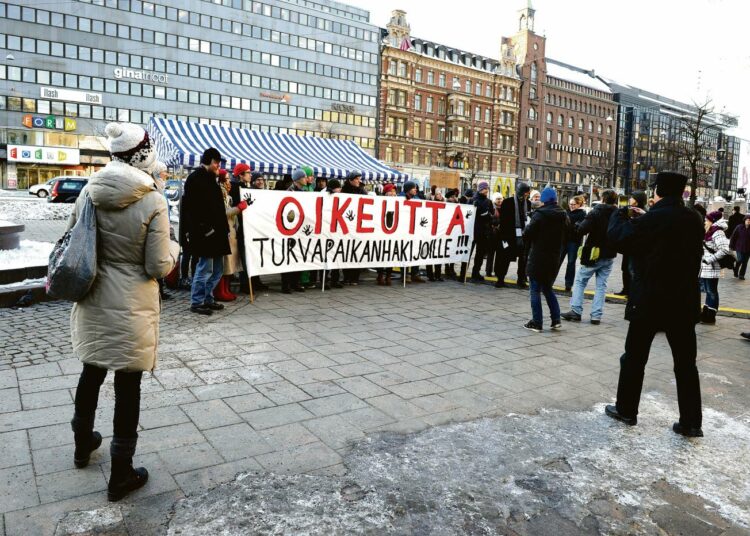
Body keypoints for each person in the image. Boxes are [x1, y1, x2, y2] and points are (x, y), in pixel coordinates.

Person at [69, 122, 179, 502]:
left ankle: (83, 445)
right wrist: (175, 250)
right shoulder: (153, 199)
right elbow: (158, 266)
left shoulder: (89, 191)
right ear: (143, 155)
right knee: (128, 387)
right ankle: (121, 473)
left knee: (92, 370)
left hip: (94, 295)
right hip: (132, 305)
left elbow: (73, 240)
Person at [606, 171, 704, 437]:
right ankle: (691, 422)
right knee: (686, 364)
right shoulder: (693, 218)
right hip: (683, 302)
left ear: (658, 191)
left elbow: (619, 239)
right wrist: (645, 219)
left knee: (634, 358)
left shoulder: (654, 218)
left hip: (650, 301)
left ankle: (626, 410)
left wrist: (621, 214)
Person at [182, 148, 231, 315]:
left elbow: (217, 208)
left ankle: (208, 298)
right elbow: (192, 208)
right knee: (205, 269)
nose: (219, 166)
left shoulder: (211, 178)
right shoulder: (195, 178)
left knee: (217, 270)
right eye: (217, 162)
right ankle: (197, 302)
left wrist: (224, 229)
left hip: (217, 234)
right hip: (206, 234)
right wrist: (205, 229)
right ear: (210, 160)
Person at [561, 189, 618, 325]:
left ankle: (576, 311)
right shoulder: (618, 213)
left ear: (603, 199)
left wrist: (577, 225)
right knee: (601, 286)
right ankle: (596, 316)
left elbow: (582, 230)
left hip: (593, 253)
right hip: (609, 253)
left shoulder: (596, 212)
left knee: (580, 281)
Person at [523, 187, 568, 332]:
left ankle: (537, 322)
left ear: (544, 200)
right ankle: (556, 320)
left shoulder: (540, 214)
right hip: (554, 257)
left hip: (538, 256)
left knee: (535, 290)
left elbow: (528, 233)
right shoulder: (563, 215)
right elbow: (569, 232)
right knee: (548, 288)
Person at [213, 170, 249, 301]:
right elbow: (224, 212)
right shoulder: (219, 193)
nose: (229, 181)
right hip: (226, 231)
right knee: (225, 263)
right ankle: (220, 290)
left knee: (230, 264)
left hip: (231, 231)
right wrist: (238, 208)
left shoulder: (227, 194)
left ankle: (226, 289)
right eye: (226, 179)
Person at [495, 182, 532, 289]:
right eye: (526, 193)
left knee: (523, 259)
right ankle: (500, 279)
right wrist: (504, 237)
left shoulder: (528, 203)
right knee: (504, 258)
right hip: (508, 235)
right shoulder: (507, 202)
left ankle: (521, 280)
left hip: (523, 235)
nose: (526, 195)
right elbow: (503, 221)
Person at [699, 211, 733, 324]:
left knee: (712, 291)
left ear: (712, 220)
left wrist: (709, 259)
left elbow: (724, 249)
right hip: (706, 267)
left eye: (707, 219)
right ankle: (705, 314)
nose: (705, 221)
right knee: (708, 291)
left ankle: (710, 316)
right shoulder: (709, 231)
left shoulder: (717, 232)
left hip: (712, 266)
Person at [280, 168, 308, 294]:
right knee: (288, 257)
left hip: (300, 229)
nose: (306, 179)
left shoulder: (304, 192)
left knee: (298, 256)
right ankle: (286, 284)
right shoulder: (289, 192)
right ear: (298, 179)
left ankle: (295, 282)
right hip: (290, 228)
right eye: (304, 177)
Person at [616, 191, 647, 296]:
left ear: (637, 201)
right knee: (625, 268)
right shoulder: (628, 210)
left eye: (632, 198)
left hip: (636, 247)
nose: (630, 199)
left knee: (632, 269)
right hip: (628, 246)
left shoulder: (644, 213)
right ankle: (626, 289)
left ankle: (632, 291)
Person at [228, 163, 252, 294]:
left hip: (246, 226)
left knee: (246, 255)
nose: (250, 175)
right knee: (243, 256)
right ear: (241, 175)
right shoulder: (236, 188)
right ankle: (244, 283)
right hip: (239, 228)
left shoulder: (245, 187)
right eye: (248, 173)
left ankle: (248, 282)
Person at [341, 170, 367, 285]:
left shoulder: (362, 191)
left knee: (357, 252)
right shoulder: (343, 191)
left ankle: (355, 277)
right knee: (346, 252)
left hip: (358, 226)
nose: (358, 181)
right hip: (346, 225)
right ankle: (347, 276)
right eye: (356, 179)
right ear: (350, 180)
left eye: (359, 179)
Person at [399, 181, 427, 283]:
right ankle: (404, 275)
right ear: (408, 189)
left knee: (416, 251)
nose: (416, 190)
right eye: (413, 188)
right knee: (405, 251)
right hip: (404, 229)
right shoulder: (400, 199)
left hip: (415, 229)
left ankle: (415, 273)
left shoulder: (417, 199)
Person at [559, 195, 586, 292]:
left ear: (579, 204)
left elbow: (578, 228)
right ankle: (549, 281)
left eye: (574, 204)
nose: (571, 206)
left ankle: (568, 284)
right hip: (563, 240)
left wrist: (570, 226)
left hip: (574, 242)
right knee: (557, 261)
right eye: (570, 204)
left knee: (571, 263)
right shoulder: (565, 212)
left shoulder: (582, 214)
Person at [470, 182, 495, 283]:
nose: (486, 190)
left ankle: (476, 272)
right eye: (485, 189)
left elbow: (492, 214)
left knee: (480, 254)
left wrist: (489, 216)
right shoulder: (473, 200)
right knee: (469, 252)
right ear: (480, 189)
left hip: (484, 231)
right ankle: (464, 272)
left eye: (487, 189)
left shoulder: (488, 202)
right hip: (473, 230)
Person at [377, 183, 398, 285]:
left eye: (394, 191)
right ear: (386, 192)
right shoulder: (380, 201)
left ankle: (388, 276)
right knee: (381, 254)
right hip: (382, 231)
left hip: (393, 231)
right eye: (391, 191)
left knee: (390, 255)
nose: (393, 193)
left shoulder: (398, 202)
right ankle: (380, 275)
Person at [730, 215, 750, 280]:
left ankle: (741, 275)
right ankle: (736, 270)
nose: (748, 221)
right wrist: (731, 245)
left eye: (749, 220)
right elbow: (733, 236)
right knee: (740, 259)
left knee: (745, 262)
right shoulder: (739, 227)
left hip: (748, 248)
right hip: (739, 247)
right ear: (744, 220)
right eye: (747, 220)